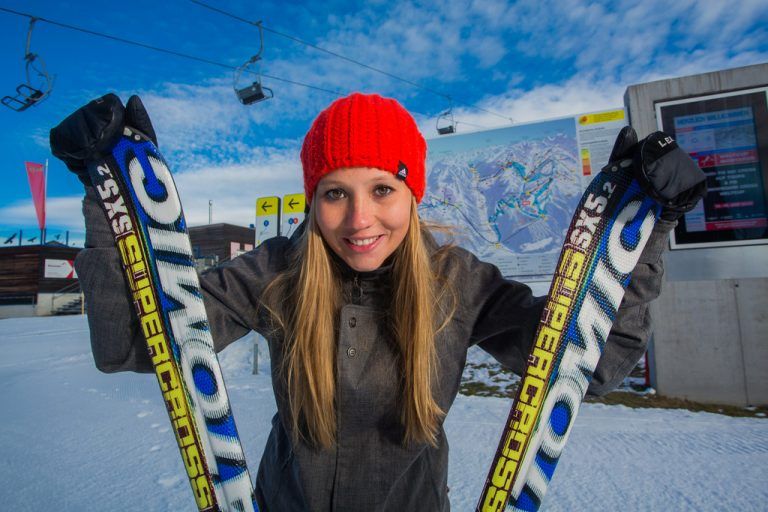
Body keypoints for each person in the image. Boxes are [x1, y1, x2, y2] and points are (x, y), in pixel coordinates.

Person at [50, 92, 705, 511]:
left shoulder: (456, 280)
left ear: (413, 193)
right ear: (313, 198)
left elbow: (587, 366)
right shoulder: (278, 269)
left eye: (383, 190)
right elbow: (133, 346)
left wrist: (645, 235)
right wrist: (105, 198)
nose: (360, 219)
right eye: (335, 193)